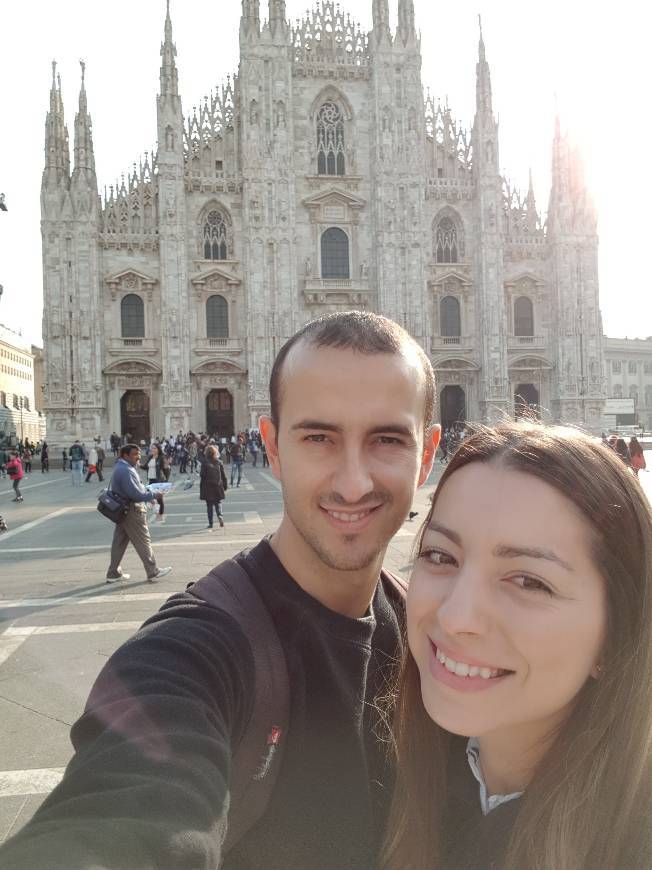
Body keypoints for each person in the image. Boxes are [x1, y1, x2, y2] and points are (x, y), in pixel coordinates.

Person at [0, 311, 439, 870]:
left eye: (386, 439)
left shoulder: (432, 635)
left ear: (427, 454)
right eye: (319, 437)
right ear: (273, 447)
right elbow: (123, 813)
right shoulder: (194, 652)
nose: (354, 482)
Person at [383, 421, 652, 870]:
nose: (455, 616)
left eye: (529, 581)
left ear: (616, 634)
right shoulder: (398, 772)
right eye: (440, 555)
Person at [103, 443, 172, 584]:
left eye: (139, 454)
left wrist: (147, 491)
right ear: (125, 455)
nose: (138, 457)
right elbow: (135, 494)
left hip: (123, 510)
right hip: (132, 511)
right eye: (134, 454)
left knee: (119, 542)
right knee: (143, 540)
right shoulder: (126, 470)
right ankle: (153, 571)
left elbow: (135, 488)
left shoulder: (122, 467)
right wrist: (153, 495)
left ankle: (113, 572)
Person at [200, 443, 228, 530]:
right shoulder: (219, 462)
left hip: (208, 487)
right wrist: (225, 485)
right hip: (218, 486)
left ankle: (210, 523)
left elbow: (202, 475)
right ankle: (220, 516)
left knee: (209, 506)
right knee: (218, 503)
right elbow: (223, 475)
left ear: (206, 453)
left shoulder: (204, 463)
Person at [142, 443, 166, 523]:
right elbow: (145, 467)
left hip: (158, 481)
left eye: (154, 448)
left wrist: (164, 481)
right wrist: (138, 464)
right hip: (150, 480)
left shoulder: (161, 458)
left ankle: (160, 515)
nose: (153, 450)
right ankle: (157, 512)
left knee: (159, 499)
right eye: (152, 448)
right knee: (149, 498)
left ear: (158, 449)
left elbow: (165, 470)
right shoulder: (150, 457)